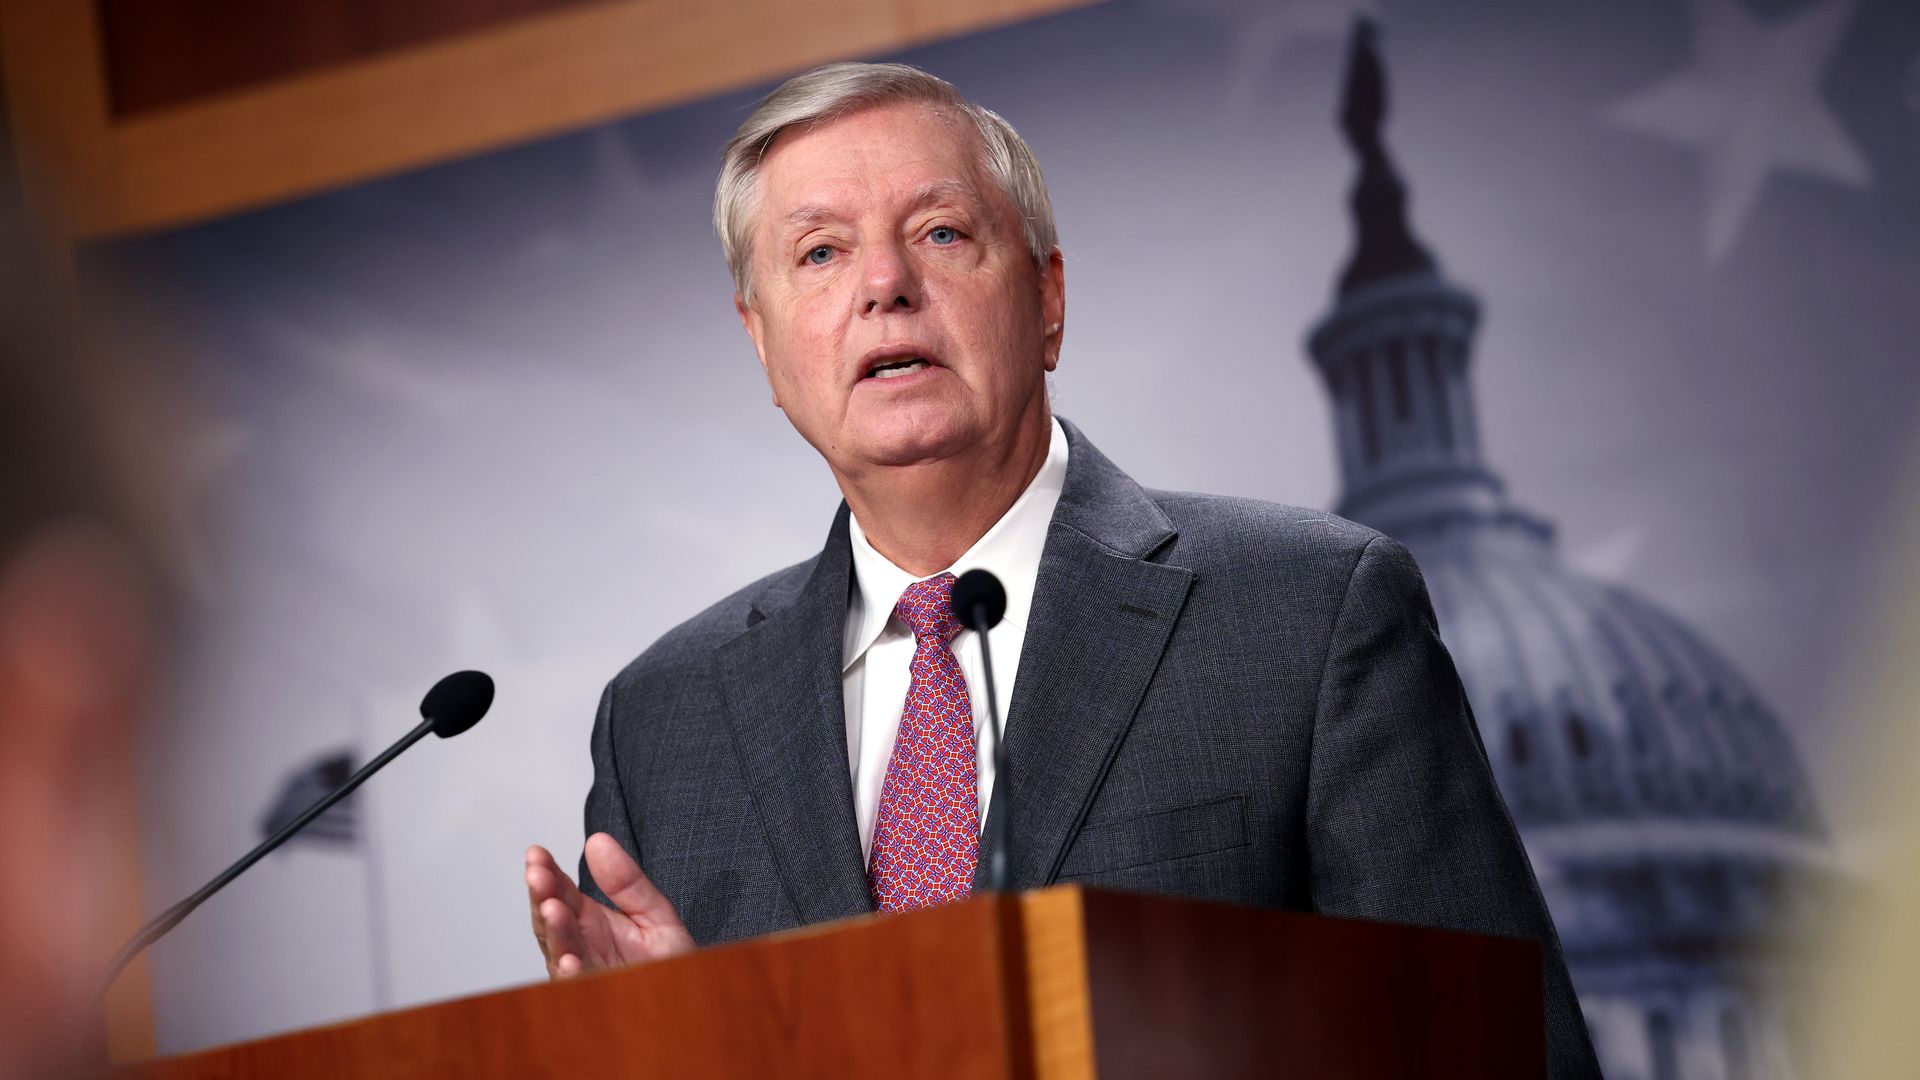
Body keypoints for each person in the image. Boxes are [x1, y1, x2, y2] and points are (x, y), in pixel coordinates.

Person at [524, 62, 1600, 1077]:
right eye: (821, 254)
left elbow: (1497, 1052)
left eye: (941, 233)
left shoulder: (1310, 616)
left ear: (1048, 302)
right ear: (762, 346)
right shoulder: (664, 723)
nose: (885, 286)